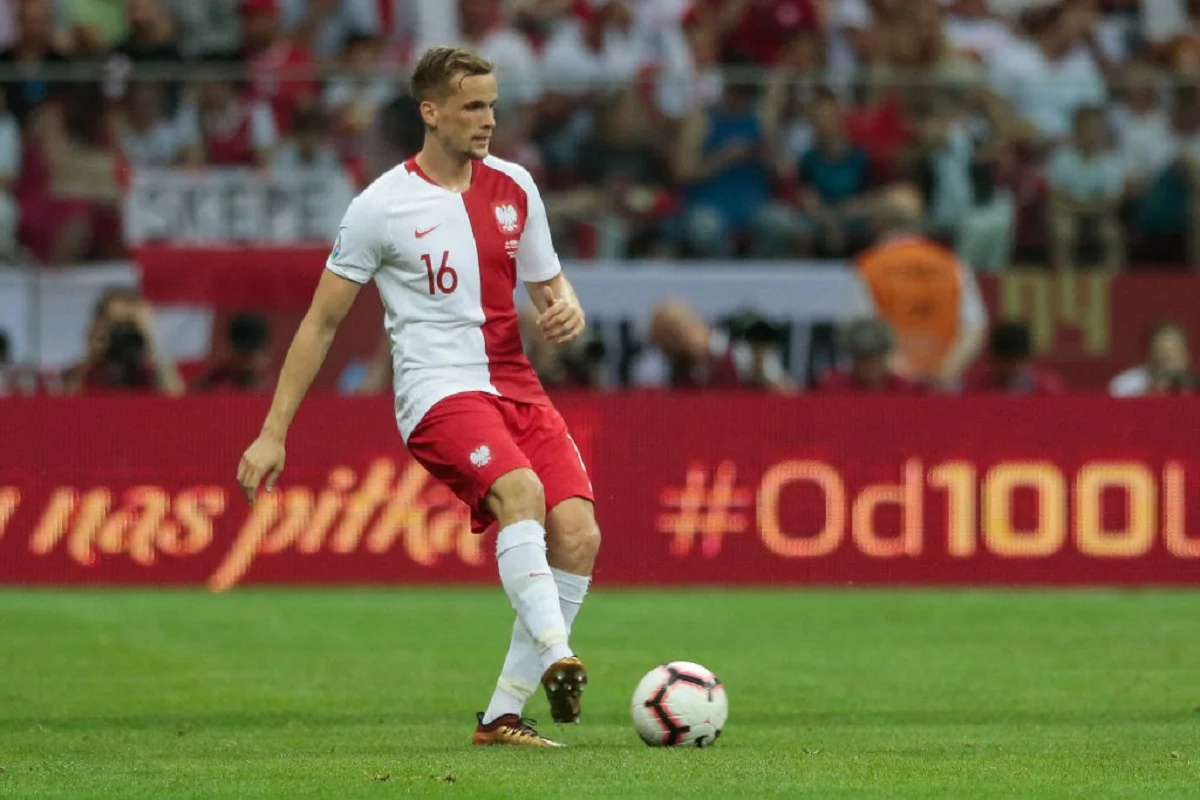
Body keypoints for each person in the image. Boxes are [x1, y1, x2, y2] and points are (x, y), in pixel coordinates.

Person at [235, 46, 598, 749]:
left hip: (515, 384)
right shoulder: (381, 206)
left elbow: (549, 284)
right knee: (521, 493)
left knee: (580, 534)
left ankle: (502, 716)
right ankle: (558, 654)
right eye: (472, 107)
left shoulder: (516, 187)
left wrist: (568, 307)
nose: (488, 120)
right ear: (430, 112)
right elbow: (321, 323)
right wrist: (273, 431)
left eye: (492, 105)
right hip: (438, 391)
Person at [848, 185, 988, 391]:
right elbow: (974, 328)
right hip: (944, 387)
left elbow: (862, 333)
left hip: (888, 388)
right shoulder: (952, 264)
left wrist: (907, 377)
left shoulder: (867, 267)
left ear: (877, 223)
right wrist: (945, 372)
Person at [964, 321, 1065, 396]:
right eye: (1006, 361)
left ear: (1028, 358)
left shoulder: (1048, 388)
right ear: (993, 359)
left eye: (1017, 361)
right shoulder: (975, 389)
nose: (1012, 368)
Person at [1109, 321, 1194, 396]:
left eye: (1174, 351)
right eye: (1161, 351)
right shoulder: (1125, 387)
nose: (1168, 357)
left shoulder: (1194, 387)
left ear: (1185, 357)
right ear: (1149, 355)